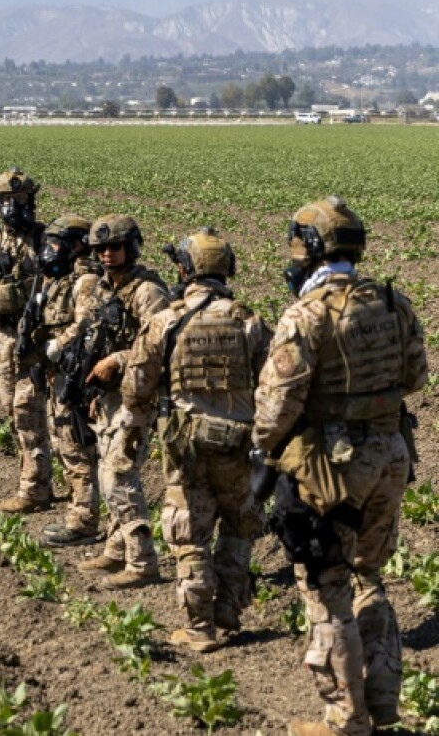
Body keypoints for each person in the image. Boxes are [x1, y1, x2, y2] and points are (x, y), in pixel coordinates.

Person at [251, 197, 427, 736]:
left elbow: (275, 408)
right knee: (369, 575)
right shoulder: (394, 304)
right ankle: (384, 699)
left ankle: (345, 719)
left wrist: (265, 452)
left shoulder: (307, 315)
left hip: (331, 467)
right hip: (391, 455)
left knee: (327, 585)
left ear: (312, 248)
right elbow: (416, 378)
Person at [122, 228, 269, 652]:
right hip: (241, 444)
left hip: (186, 447)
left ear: (187, 269)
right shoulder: (249, 321)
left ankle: (200, 626)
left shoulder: (167, 321)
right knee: (239, 526)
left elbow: (137, 385)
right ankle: (230, 608)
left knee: (189, 534)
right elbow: (275, 383)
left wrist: (133, 433)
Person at [75, 214, 171, 589]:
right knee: (105, 470)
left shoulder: (147, 292)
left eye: (114, 247)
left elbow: (163, 346)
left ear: (130, 247)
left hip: (139, 396)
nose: (107, 255)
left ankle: (143, 560)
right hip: (112, 396)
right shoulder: (104, 287)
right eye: (100, 249)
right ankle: (117, 547)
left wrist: (117, 360)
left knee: (119, 472)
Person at [0, 168, 53, 511]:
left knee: (27, 410)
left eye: (18, 200)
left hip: (30, 337)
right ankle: (31, 476)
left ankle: (35, 488)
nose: (11, 207)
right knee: (9, 406)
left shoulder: (43, 241)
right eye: (5, 201)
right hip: (1, 335)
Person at [35, 215, 104, 546]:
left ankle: (83, 521)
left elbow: (85, 324)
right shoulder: (61, 279)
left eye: (57, 243)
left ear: (77, 244)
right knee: (64, 443)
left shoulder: (86, 280)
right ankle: (79, 512)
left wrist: (56, 346)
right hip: (60, 370)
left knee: (77, 448)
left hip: (73, 372)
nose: (51, 250)